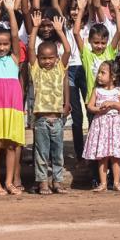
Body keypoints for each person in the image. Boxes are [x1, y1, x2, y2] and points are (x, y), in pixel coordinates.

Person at [0, 15, 27, 196]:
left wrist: (10, 11)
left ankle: (9, 182)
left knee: (11, 145)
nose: (2, 47)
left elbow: (16, 35)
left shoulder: (15, 59)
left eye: (5, 44)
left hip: (13, 107)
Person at [29, 36, 71, 195]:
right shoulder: (36, 70)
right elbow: (31, 48)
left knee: (57, 153)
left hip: (58, 120)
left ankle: (58, 182)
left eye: (51, 58)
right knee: (41, 154)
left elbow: (68, 50)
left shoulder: (60, 68)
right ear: (38, 59)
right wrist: (34, 29)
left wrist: (60, 32)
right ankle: (43, 183)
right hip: (41, 120)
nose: (47, 61)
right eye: (43, 58)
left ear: (57, 58)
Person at [83, 61, 120, 191]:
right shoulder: (97, 90)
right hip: (101, 125)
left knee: (116, 156)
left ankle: (116, 182)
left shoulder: (118, 91)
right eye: (99, 72)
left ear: (113, 76)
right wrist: (98, 110)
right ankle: (103, 183)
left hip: (115, 126)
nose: (99, 75)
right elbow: (90, 106)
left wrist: (113, 104)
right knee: (102, 155)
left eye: (102, 73)